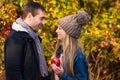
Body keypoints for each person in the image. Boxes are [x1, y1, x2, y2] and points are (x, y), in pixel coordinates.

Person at [4, 1, 50, 80]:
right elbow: (14, 73)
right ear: (29, 17)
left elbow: (37, 70)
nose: (44, 23)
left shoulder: (33, 37)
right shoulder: (15, 38)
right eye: (41, 18)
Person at [51, 11, 89, 80]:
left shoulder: (78, 56)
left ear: (68, 33)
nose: (56, 31)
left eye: (60, 28)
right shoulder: (59, 51)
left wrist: (63, 74)